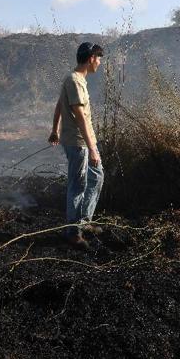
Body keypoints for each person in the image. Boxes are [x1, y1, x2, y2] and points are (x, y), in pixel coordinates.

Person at [48, 42, 104, 249]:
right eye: (98, 58)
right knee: (78, 185)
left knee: (96, 176)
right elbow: (79, 116)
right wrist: (91, 148)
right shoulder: (74, 81)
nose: (99, 62)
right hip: (79, 142)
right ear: (91, 58)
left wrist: (54, 130)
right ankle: (73, 231)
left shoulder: (76, 79)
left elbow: (59, 106)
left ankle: (84, 222)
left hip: (82, 141)